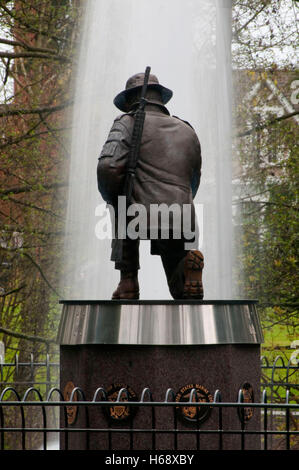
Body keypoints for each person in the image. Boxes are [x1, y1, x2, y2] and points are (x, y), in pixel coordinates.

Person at [97, 72, 204, 300]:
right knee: (178, 266)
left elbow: (108, 168)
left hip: (137, 213)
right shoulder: (187, 130)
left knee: (121, 206)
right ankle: (186, 276)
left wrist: (112, 198)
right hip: (183, 213)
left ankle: (128, 283)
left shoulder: (127, 122)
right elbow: (194, 177)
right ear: (160, 99)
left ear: (130, 100)